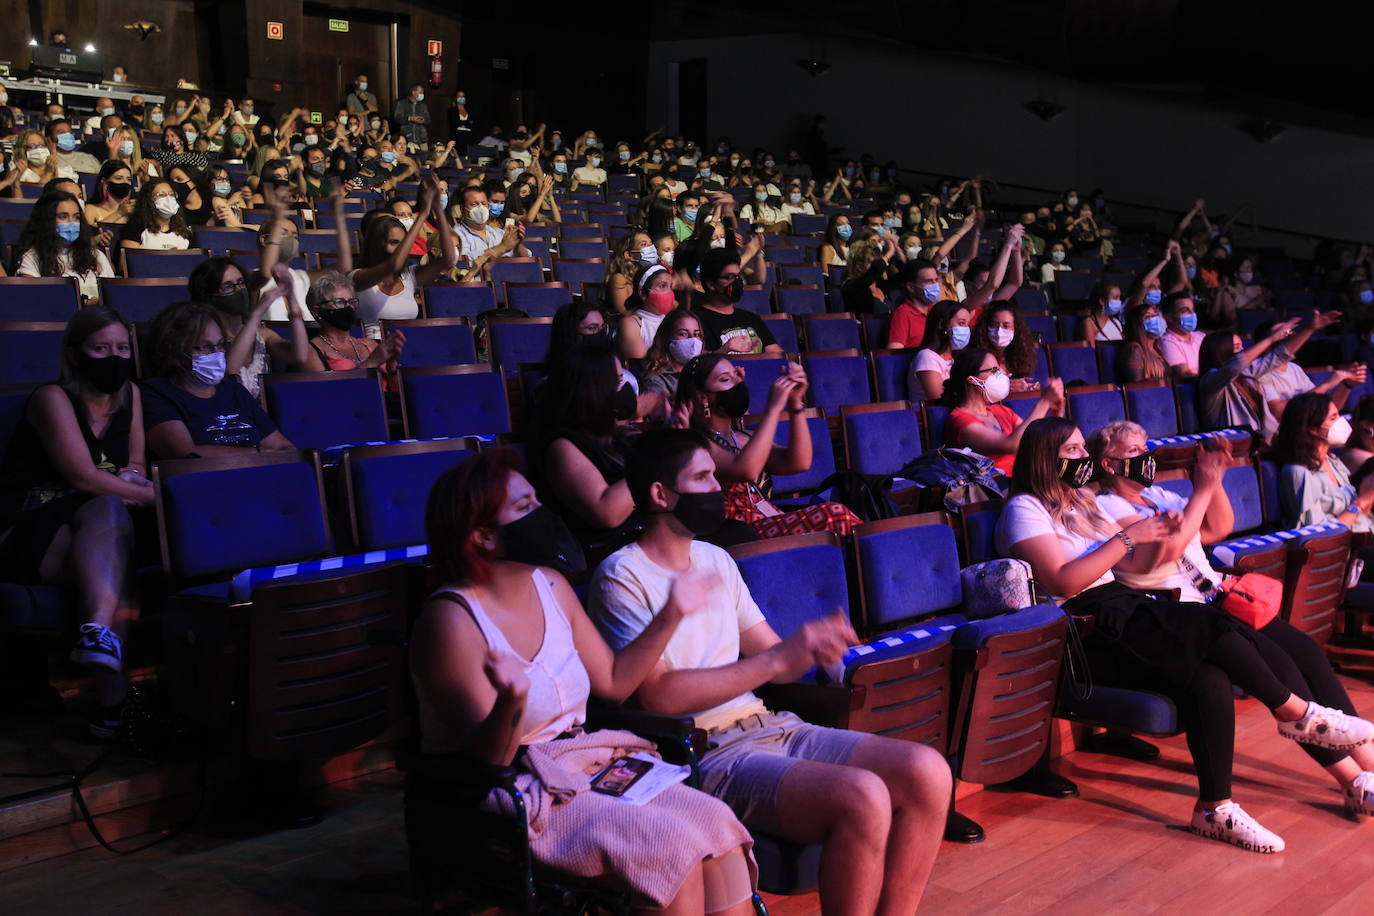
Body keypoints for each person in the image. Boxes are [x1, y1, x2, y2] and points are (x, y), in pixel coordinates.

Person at [590, 428, 951, 913]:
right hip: (703, 751)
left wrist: (810, 646)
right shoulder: (622, 575)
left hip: (771, 725)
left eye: (715, 476)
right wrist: (777, 660)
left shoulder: (715, 560)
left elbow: (773, 660)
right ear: (660, 494)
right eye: (701, 478)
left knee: (928, 772)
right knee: (862, 795)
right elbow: (659, 696)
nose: (717, 488)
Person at [997, 416, 1374, 852]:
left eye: (1082, 449)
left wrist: (1150, 539)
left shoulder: (1083, 502)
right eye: (1073, 452)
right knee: (1205, 621)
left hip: (1125, 610)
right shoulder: (1023, 508)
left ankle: (1214, 808)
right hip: (1085, 630)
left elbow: (1135, 568)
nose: (1082, 459)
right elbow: (1063, 583)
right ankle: (1296, 713)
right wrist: (1126, 537)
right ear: (1046, 460)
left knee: (1209, 679)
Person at [412, 448, 758, 915]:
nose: (543, 515)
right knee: (671, 846)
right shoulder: (451, 619)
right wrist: (512, 699)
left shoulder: (550, 584)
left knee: (716, 824)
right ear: (483, 537)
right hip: (518, 787)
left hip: (582, 760)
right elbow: (486, 761)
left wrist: (672, 613)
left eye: (537, 501)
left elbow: (614, 682)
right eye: (525, 508)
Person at [1091, 420, 1374, 817]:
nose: (1146, 456)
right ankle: (1352, 779)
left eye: (1146, 447)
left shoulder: (1159, 493)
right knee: (1284, 672)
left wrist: (1215, 479)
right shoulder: (1105, 507)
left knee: (1306, 651)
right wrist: (1202, 488)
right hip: (1183, 612)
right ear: (1108, 463)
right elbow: (1167, 549)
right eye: (1134, 451)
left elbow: (1217, 527)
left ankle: (1369, 761)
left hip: (1222, 599)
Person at [0, 308, 155, 736]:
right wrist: (163, 498)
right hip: (32, 523)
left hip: (99, 527)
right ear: (76, 353)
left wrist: (133, 478)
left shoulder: (132, 397)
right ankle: (111, 697)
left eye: (122, 348)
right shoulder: (52, 397)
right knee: (109, 513)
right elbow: (83, 476)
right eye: (100, 349)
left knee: (113, 527)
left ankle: (104, 673)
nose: (114, 357)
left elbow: (136, 461)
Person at [673, 354, 861, 540]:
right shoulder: (697, 444)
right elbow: (745, 470)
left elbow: (798, 463)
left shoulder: (745, 436)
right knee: (833, 514)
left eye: (736, 374)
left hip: (771, 519)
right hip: (740, 533)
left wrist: (795, 404)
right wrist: (773, 409)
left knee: (839, 521)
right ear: (702, 397)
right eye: (725, 379)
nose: (737, 382)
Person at [141, 301, 294, 458]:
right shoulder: (157, 394)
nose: (216, 354)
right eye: (205, 346)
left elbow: (282, 446)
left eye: (220, 345)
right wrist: (258, 454)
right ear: (175, 351)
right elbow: (186, 454)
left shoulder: (234, 391)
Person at [351, 174, 457, 337]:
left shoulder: (408, 276)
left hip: (410, 347)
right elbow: (393, 265)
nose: (402, 249)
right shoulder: (358, 276)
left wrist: (436, 208)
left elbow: (448, 259)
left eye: (403, 243)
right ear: (376, 244)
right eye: (394, 243)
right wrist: (422, 215)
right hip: (374, 351)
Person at [187, 258, 308, 399]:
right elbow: (231, 372)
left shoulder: (263, 335)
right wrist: (257, 312)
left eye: (241, 283)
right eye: (228, 286)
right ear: (208, 295)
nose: (239, 290)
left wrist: (291, 296)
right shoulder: (204, 340)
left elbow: (299, 356)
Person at [1196, 318, 1329, 442]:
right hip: (1234, 445)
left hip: (1262, 440)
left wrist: (1310, 328)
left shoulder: (1246, 374)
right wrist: (1271, 339)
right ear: (1221, 352)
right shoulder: (1210, 380)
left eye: (1242, 347)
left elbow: (1278, 356)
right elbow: (1235, 366)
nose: (1243, 351)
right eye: (1237, 348)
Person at [943, 348, 1063, 476]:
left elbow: (1039, 442)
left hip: (1024, 480)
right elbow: (1013, 445)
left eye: (999, 370)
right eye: (994, 371)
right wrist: (1044, 402)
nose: (1001, 376)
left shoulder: (1001, 411)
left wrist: (1057, 414)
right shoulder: (960, 421)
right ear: (972, 379)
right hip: (998, 489)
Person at [1274, 392, 1374, 534]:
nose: (1341, 422)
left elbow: (1360, 518)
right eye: (1333, 418)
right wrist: (1361, 502)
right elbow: (1319, 535)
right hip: (1337, 550)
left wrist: (1369, 495)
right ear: (1312, 429)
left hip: (1363, 536)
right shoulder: (1298, 473)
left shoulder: (1333, 462)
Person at [296, 272, 406, 386]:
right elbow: (329, 395)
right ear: (316, 311)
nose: (348, 307)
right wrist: (371, 362)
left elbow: (401, 393)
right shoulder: (309, 352)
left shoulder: (370, 345)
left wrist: (391, 366)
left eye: (351, 302)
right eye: (339, 302)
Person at [15, 191, 116, 304]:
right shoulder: (32, 258)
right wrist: (82, 304)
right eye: (63, 217)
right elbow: (33, 301)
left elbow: (114, 296)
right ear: (47, 220)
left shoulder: (96, 255)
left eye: (76, 217)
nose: (72, 223)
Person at [693, 249, 782, 355]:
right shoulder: (694, 321)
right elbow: (697, 364)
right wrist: (724, 350)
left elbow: (777, 354)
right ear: (711, 284)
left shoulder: (751, 318)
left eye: (737, 276)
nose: (736, 282)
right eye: (730, 277)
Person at [910, 300, 971, 400]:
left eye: (967, 324)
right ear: (942, 325)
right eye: (961, 323)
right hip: (934, 414)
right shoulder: (926, 357)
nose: (966, 329)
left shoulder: (958, 357)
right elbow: (940, 400)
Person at [973, 302, 1041, 390]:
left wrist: (1027, 388)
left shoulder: (1018, 355)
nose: (999, 331)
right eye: (994, 325)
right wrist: (1006, 386)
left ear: (1015, 329)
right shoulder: (976, 356)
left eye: (1006, 326)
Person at [638, 309, 705, 401]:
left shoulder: (703, 370)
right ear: (666, 338)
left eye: (696, 334)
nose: (692, 340)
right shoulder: (655, 379)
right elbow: (662, 413)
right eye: (683, 334)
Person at [618, 265, 680, 360]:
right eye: (662, 286)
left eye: (670, 286)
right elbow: (638, 362)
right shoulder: (632, 323)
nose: (669, 292)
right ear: (643, 293)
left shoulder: (671, 320)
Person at [118, 180, 192, 251]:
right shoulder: (135, 227)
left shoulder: (184, 231)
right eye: (161, 195)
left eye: (172, 194)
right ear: (148, 200)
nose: (168, 199)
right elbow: (129, 260)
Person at [886, 260, 944, 349]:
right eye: (929, 281)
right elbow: (894, 353)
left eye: (936, 280)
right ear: (911, 287)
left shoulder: (936, 310)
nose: (935, 285)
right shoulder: (902, 314)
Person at [1158, 293, 1206, 379]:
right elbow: (1184, 375)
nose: (1192, 314)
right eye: (1185, 311)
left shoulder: (1201, 336)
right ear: (1169, 318)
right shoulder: (1166, 342)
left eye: (1193, 310)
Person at [1119, 302, 1169, 383]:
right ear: (1138, 325)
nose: (1155, 319)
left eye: (1155, 315)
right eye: (1148, 316)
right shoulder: (1134, 349)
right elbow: (1136, 385)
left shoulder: (1157, 348)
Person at [83, 160, 137, 227]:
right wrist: (119, 213)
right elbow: (89, 234)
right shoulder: (90, 209)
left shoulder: (133, 212)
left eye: (128, 179)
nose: (125, 182)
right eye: (118, 178)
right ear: (105, 182)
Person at [393, 84, 431, 152]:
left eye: (423, 93)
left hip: (422, 138)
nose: (422, 94)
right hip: (407, 139)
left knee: (424, 159)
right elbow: (397, 118)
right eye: (420, 92)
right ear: (413, 92)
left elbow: (428, 119)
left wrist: (423, 120)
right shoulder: (402, 104)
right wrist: (410, 118)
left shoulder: (423, 105)